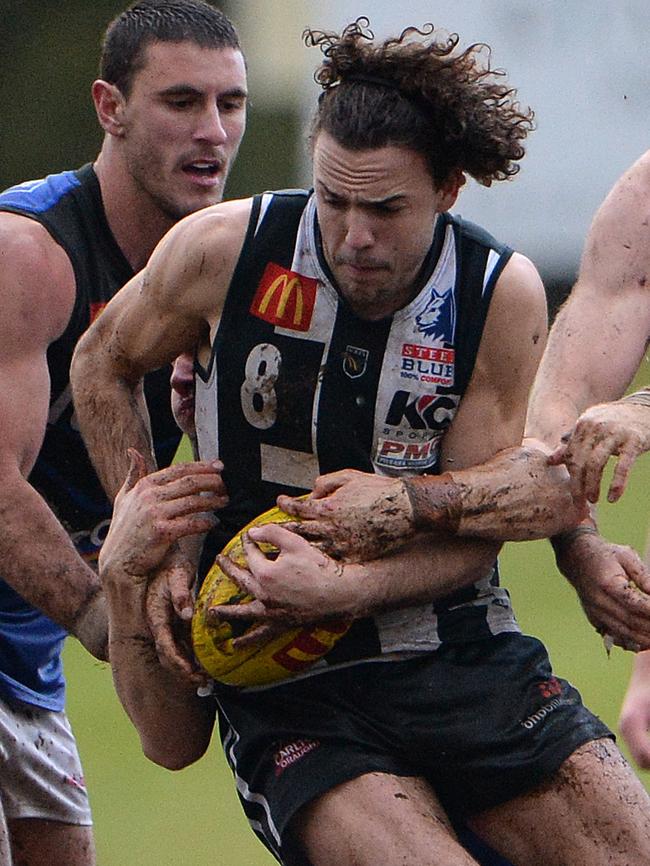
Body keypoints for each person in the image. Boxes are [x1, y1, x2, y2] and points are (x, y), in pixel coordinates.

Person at [72, 19, 650, 866]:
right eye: (333, 200)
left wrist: (349, 582)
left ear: (449, 189)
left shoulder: (495, 296)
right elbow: (101, 361)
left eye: (385, 209)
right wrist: (154, 539)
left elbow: (478, 533)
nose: (352, 236)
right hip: (293, 690)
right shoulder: (224, 251)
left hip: (459, 651)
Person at [0, 1, 244, 863]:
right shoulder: (30, 253)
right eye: (181, 102)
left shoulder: (216, 270)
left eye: (231, 104)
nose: (212, 131)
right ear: (110, 108)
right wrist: (107, 619)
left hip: (23, 664)